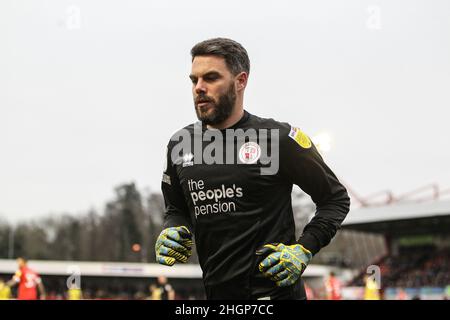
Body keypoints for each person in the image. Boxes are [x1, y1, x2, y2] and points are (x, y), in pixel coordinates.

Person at [155, 38, 350, 299]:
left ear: (240, 81)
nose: (199, 88)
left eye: (211, 78)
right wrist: (172, 229)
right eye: (194, 80)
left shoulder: (278, 138)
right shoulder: (181, 143)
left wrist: (304, 249)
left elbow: (335, 199)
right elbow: (176, 208)